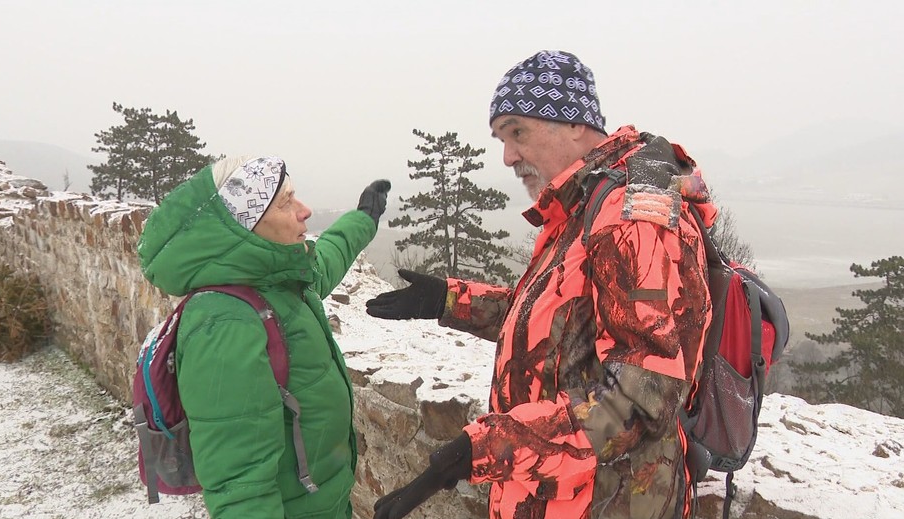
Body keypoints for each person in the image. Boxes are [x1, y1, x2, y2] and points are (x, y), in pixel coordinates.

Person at [366, 50, 719, 519]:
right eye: (501, 138)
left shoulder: (632, 221)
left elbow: (639, 399)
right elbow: (560, 324)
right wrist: (449, 299)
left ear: (574, 123)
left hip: (604, 502)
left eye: (518, 132)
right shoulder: (586, 203)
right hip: (557, 498)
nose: (508, 156)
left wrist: (487, 448)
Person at [138, 155, 390, 518]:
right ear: (247, 226)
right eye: (286, 202)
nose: (304, 210)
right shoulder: (223, 323)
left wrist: (363, 219)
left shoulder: (271, 280)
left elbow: (325, 260)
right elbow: (240, 488)